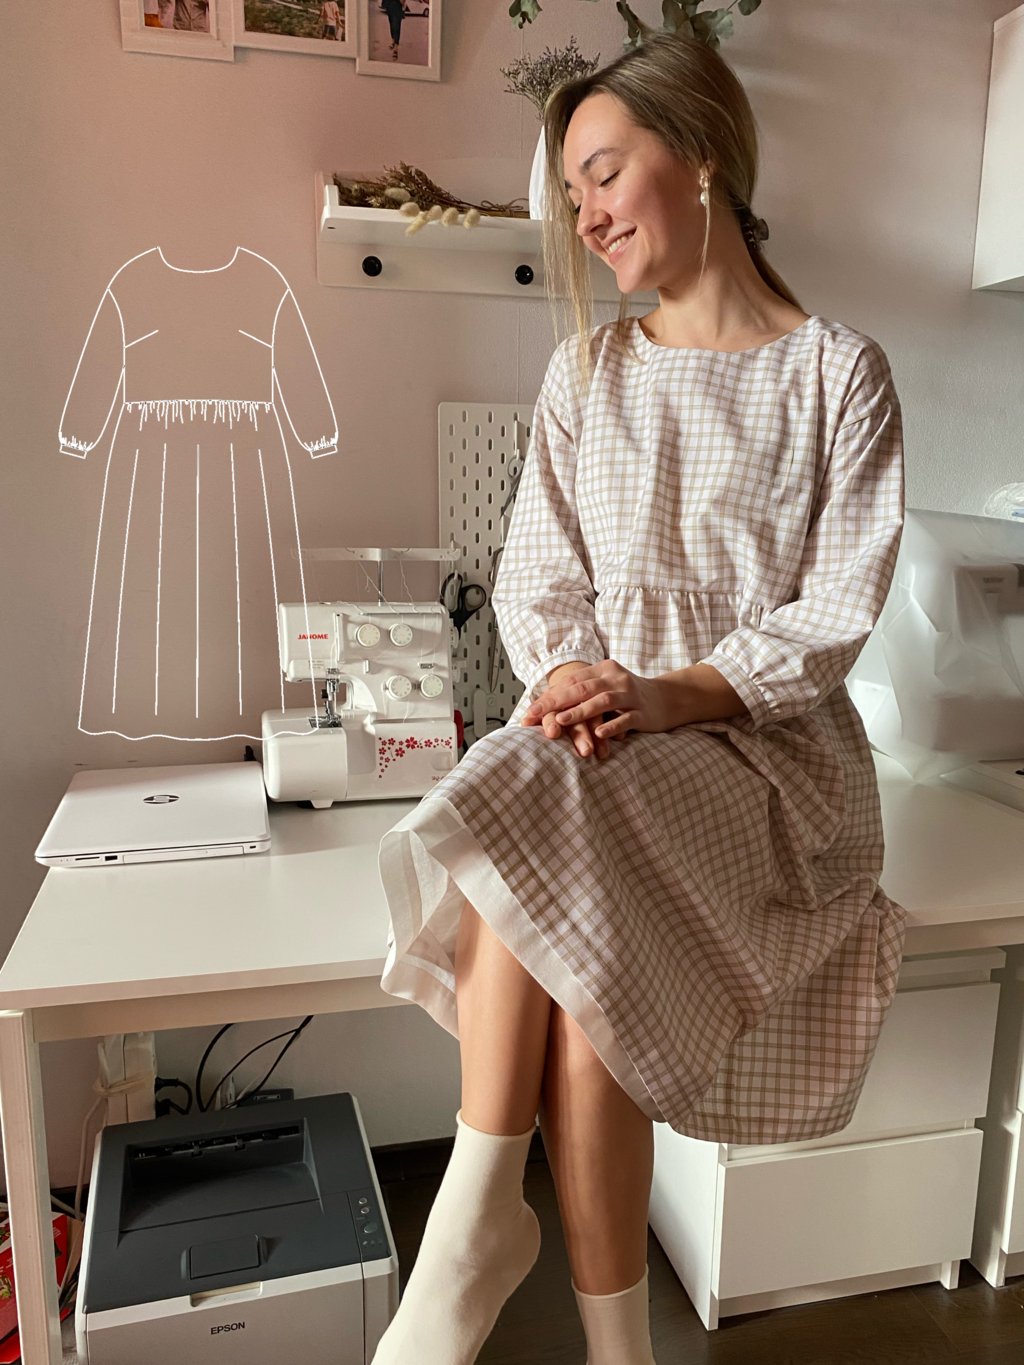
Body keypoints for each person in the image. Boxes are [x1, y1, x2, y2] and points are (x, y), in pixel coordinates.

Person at [373, 32, 905, 1365]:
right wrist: (568, 680)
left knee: (538, 799)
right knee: (570, 903)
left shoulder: (838, 374)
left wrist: (664, 697)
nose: (587, 215)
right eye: (573, 195)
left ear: (703, 154)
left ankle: (470, 1229)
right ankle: (613, 1346)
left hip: (771, 768)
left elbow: (832, 619)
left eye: (603, 174)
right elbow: (539, 581)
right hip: (606, 754)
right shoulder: (586, 374)